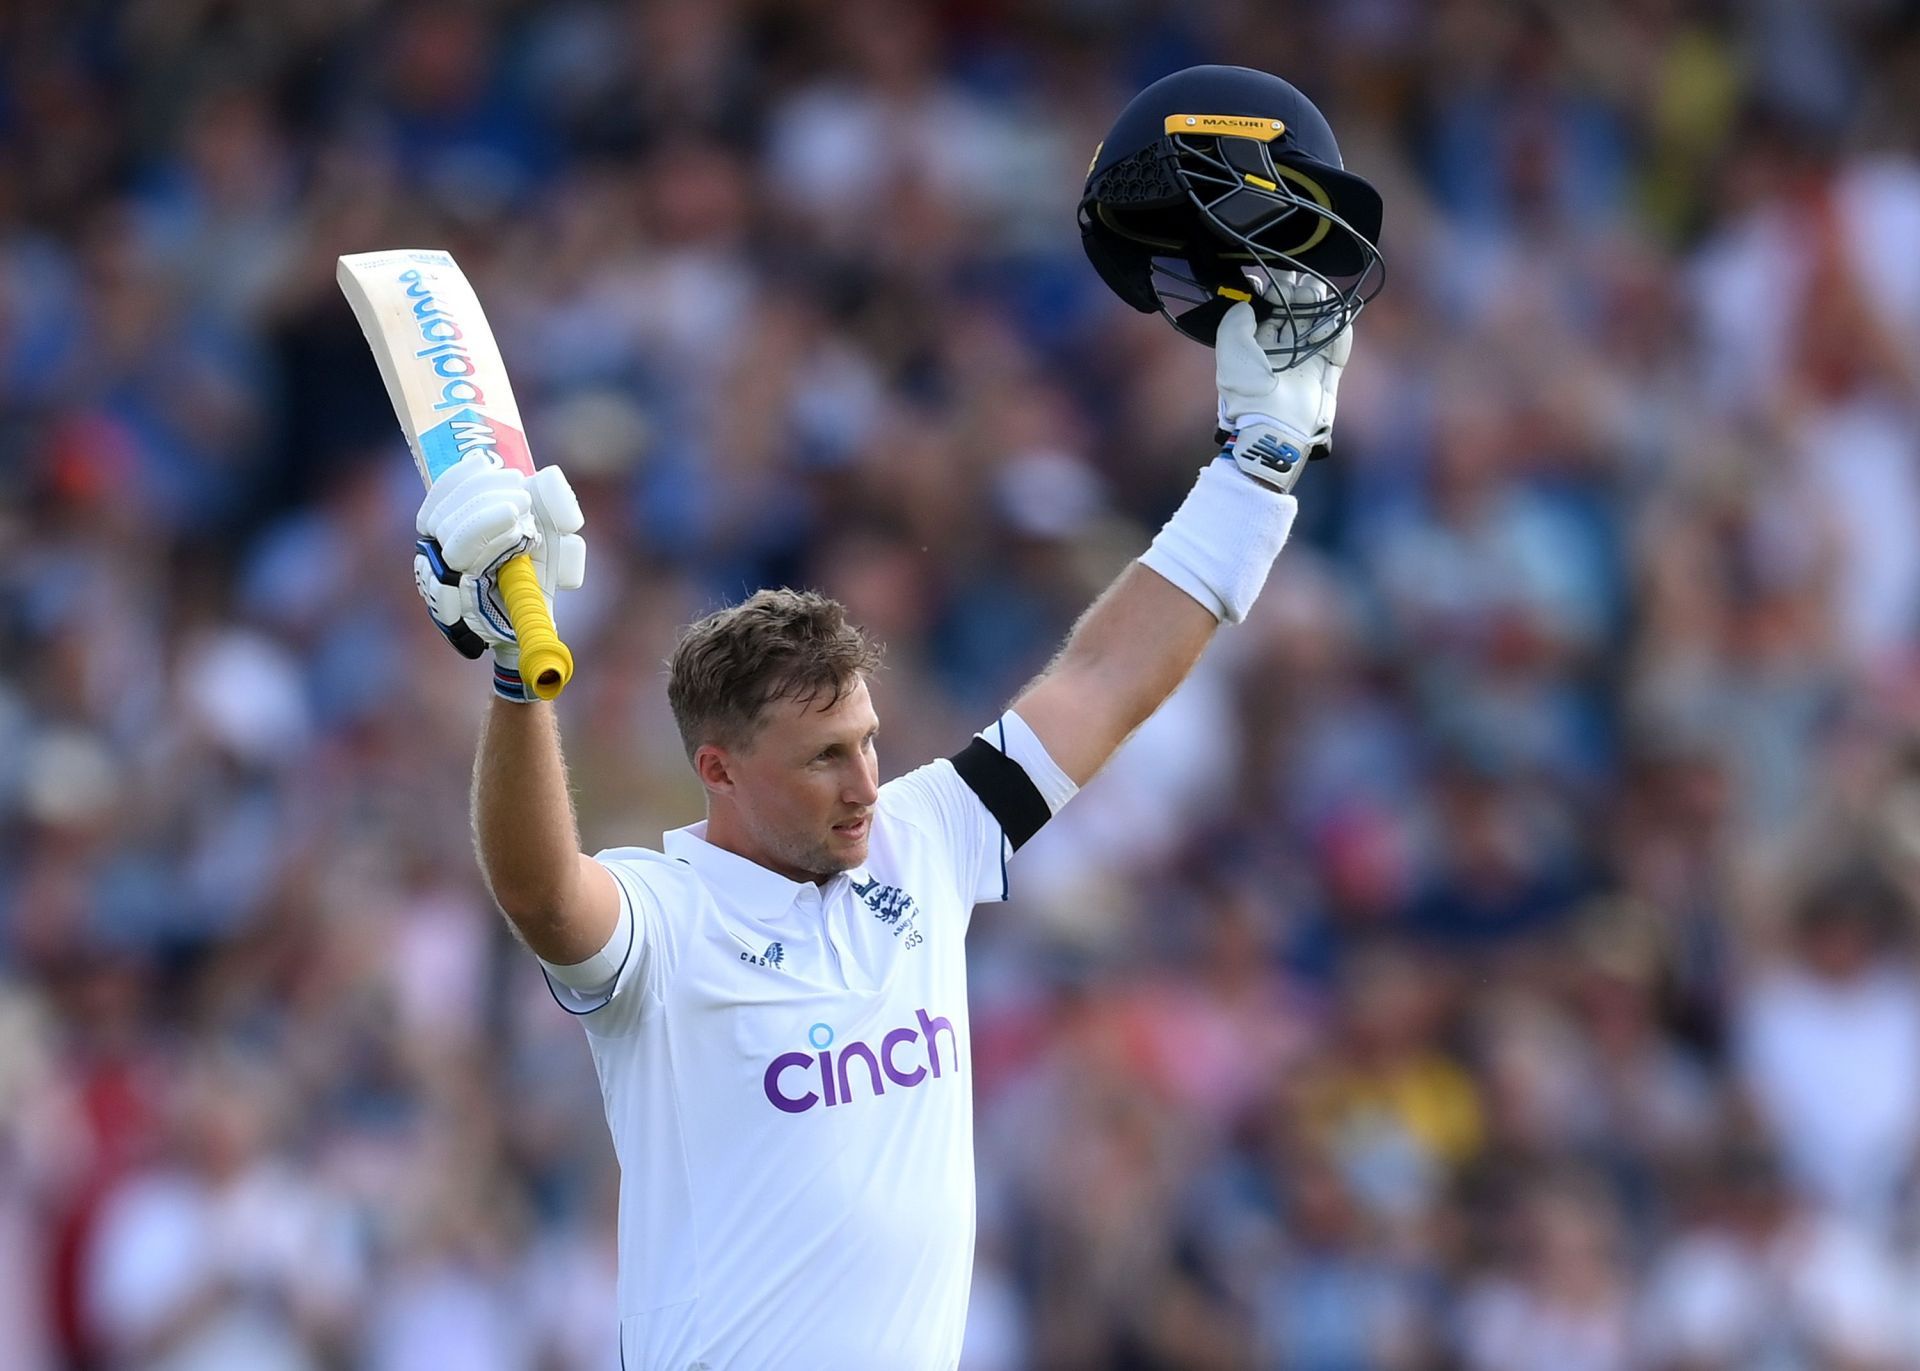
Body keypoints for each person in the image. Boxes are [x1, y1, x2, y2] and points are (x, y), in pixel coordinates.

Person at [409, 271, 1348, 1365]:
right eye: (822, 760)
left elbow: (1103, 678)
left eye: (866, 740)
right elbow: (537, 887)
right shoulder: (666, 917)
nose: (865, 781)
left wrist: (1259, 469)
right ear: (719, 769)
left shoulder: (926, 838)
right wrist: (520, 683)